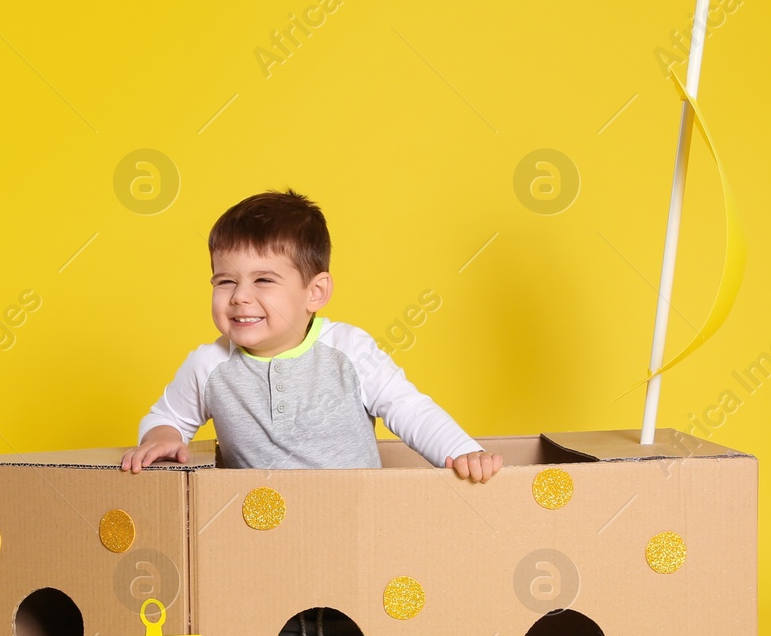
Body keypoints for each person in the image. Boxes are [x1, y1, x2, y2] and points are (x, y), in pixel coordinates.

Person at [121, 190, 503, 481]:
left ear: (315, 292)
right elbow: (166, 418)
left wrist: (463, 452)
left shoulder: (349, 351)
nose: (239, 296)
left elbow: (410, 409)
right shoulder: (209, 366)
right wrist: (161, 437)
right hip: (257, 528)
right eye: (225, 281)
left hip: (355, 518)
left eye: (264, 280)